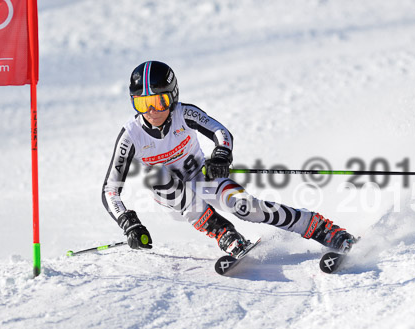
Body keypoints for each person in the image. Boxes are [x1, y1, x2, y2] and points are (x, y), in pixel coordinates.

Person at [102, 61, 356, 256]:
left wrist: (221, 155)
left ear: (173, 96)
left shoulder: (184, 113)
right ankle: (224, 233)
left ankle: (322, 228)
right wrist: (129, 222)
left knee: (246, 206)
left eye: (159, 101)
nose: (152, 111)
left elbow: (220, 132)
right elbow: (110, 190)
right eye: (143, 103)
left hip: (202, 178)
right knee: (157, 176)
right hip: (170, 194)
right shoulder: (131, 135)